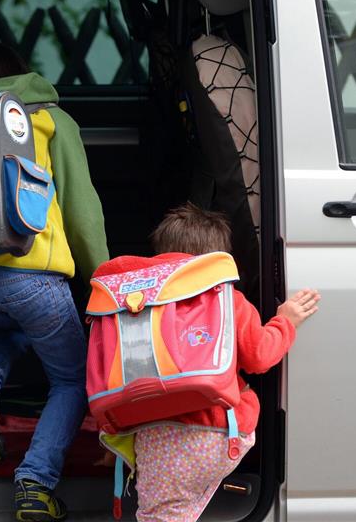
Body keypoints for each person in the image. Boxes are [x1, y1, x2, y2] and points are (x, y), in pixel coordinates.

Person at [0, 44, 109, 522]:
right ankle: (36, 482)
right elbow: (82, 212)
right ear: (24, 75)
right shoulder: (48, 118)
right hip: (31, 274)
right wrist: (106, 282)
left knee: (13, 327)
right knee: (73, 378)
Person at [91, 202, 318, 522]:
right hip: (217, 432)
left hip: (153, 436)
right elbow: (260, 357)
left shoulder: (134, 308)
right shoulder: (227, 301)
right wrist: (285, 321)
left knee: (161, 516)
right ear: (217, 261)